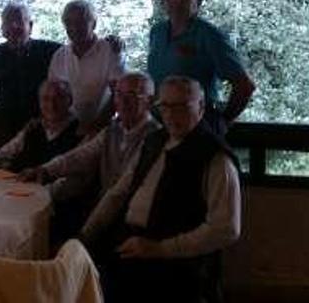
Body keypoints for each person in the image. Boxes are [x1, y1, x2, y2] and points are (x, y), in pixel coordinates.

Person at [80, 76, 241, 303]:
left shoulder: (215, 158)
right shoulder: (154, 141)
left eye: (182, 106)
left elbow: (226, 229)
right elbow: (119, 192)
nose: (171, 114)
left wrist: (159, 249)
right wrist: (85, 235)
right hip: (129, 245)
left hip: (175, 265)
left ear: (201, 107)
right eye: (165, 106)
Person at [20, 72, 161, 199]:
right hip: (102, 208)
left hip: (131, 216)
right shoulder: (111, 131)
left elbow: (120, 193)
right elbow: (79, 156)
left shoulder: (156, 137)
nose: (122, 102)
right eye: (118, 94)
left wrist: (89, 228)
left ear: (150, 100)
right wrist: (44, 170)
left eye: (131, 95)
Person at [147, 0, 255, 133]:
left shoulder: (209, 35)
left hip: (196, 128)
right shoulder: (157, 32)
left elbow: (245, 85)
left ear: (199, 0)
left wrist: (222, 123)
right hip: (160, 126)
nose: (177, 1)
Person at [0, 2, 61, 146]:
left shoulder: (52, 51)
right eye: (8, 21)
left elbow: (80, 48)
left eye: (19, 20)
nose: (13, 26)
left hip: (41, 131)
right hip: (3, 132)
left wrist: (110, 45)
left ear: (30, 26)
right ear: (2, 28)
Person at [48, 0, 125, 135]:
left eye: (80, 22)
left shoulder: (111, 50)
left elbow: (118, 94)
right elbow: (53, 96)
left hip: (103, 128)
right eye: (69, 23)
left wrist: (94, 127)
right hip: (68, 128)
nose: (74, 28)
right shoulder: (60, 55)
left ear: (94, 24)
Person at [0, 79, 80, 173]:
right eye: (46, 99)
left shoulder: (80, 131)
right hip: (17, 187)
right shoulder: (33, 128)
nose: (51, 104)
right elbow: (1, 155)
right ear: (39, 102)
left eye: (59, 98)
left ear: (70, 100)